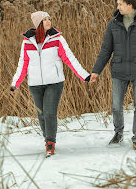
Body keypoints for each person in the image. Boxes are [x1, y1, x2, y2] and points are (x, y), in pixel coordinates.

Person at [10, 11, 90, 157]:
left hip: (54, 82)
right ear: (38, 24)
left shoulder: (57, 39)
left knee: (49, 113)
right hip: (35, 84)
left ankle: (50, 143)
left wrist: (84, 76)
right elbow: (23, 64)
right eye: (44, 19)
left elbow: (69, 58)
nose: (48, 21)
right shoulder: (27, 42)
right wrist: (15, 83)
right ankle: (47, 139)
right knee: (41, 114)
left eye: (49, 19)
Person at [90, 0, 136, 151]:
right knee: (115, 106)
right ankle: (118, 133)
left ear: (130, 5)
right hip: (119, 70)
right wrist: (96, 71)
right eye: (118, 4)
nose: (117, 7)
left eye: (120, 4)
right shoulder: (113, 24)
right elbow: (105, 50)